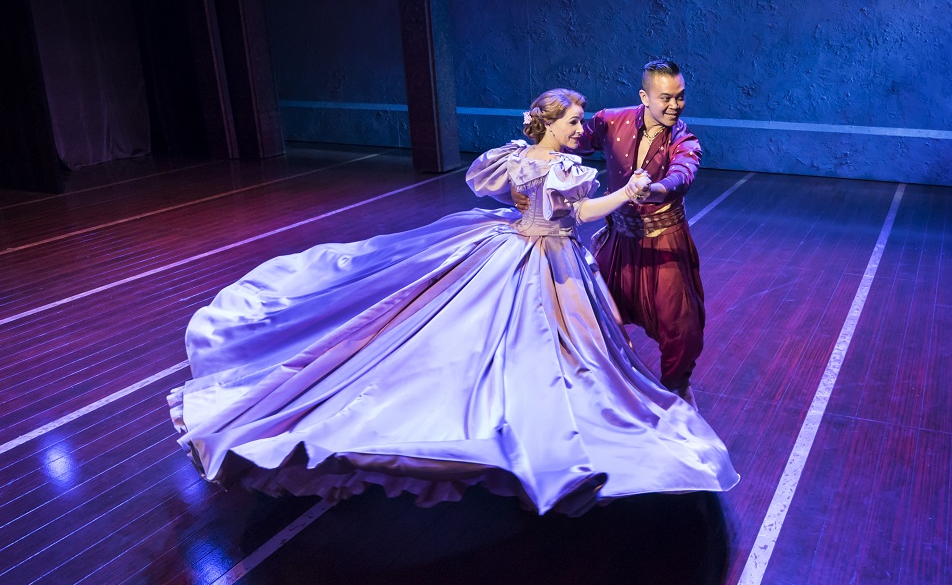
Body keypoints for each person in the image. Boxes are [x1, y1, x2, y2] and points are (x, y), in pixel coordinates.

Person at [168, 88, 738, 517]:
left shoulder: (516, 157)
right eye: (570, 123)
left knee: (524, 338)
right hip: (546, 259)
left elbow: (507, 193)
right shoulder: (561, 169)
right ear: (551, 124)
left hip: (515, 242)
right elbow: (581, 214)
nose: (577, 132)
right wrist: (627, 191)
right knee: (543, 341)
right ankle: (535, 432)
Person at [576, 60, 706, 406]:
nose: (675, 106)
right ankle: (603, 387)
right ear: (644, 97)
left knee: (682, 329)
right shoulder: (611, 121)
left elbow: (683, 175)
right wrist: (543, 138)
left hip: (663, 242)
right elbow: (575, 138)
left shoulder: (683, 139)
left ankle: (675, 391)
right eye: (666, 98)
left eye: (680, 97)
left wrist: (652, 190)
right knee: (593, 312)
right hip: (618, 240)